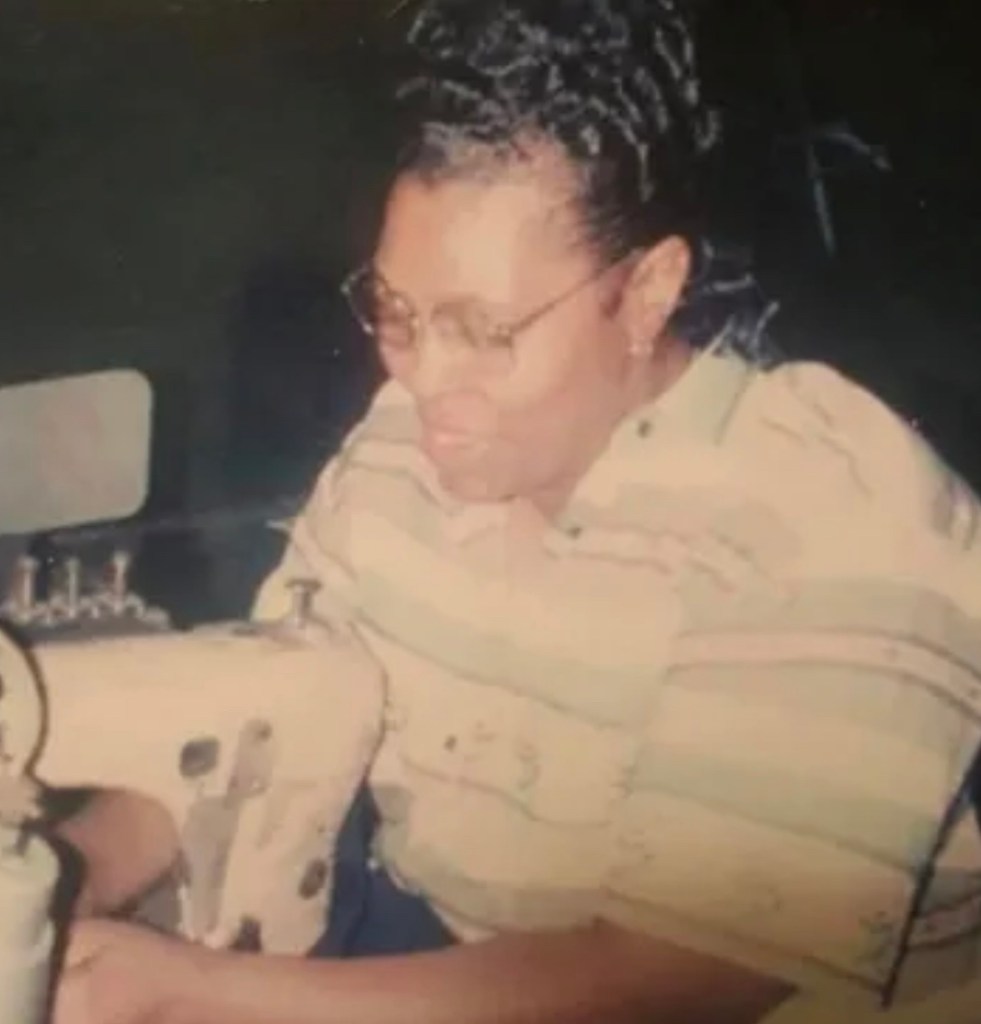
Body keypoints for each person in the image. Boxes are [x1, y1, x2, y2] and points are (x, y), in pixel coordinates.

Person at [52, 1, 981, 1022]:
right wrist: (63, 882)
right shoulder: (404, 443)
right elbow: (267, 719)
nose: (420, 374)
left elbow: (670, 982)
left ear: (649, 289)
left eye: (483, 329)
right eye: (397, 312)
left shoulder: (831, 513)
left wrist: (193, 992)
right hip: (447, 957)